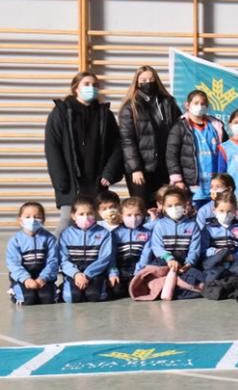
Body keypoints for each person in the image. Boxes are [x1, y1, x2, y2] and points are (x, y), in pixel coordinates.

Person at [44, 71, 124, 228]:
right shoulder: (61, 112)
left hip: (97, 180)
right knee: (67, 223)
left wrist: (109, 172)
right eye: (86, 84)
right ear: (76, 88)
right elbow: (53, 148)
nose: (91, 88)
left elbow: (117, 145)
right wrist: (61, 181)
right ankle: (59, 253)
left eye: (94, 85)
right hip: (71, 182)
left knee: (101, 224)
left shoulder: (104, 114)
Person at [116, 65, 181, 208]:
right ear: (137, 82)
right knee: (143, 208)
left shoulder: (168, 102)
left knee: (165, 206)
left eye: (151, 79)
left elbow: (179, 131)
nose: (148, 82)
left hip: (164, 166)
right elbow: (127, 141)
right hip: (141, 169)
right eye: (143, 79)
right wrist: (135, 168)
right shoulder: (129, 107)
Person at [8, 202, 60, 304]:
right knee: (28, 299)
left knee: (47, 299)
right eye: (27, 217)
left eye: (37, 217)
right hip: (23, 277)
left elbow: (53, 261)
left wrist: (43, 278)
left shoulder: (49, 239)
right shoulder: (15, 240)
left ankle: (53, 289)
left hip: (43, 276)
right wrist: (26, 279)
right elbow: (13, 264)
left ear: (43, 220)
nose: (32, 220)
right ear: (20, 220)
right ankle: (14, 290)